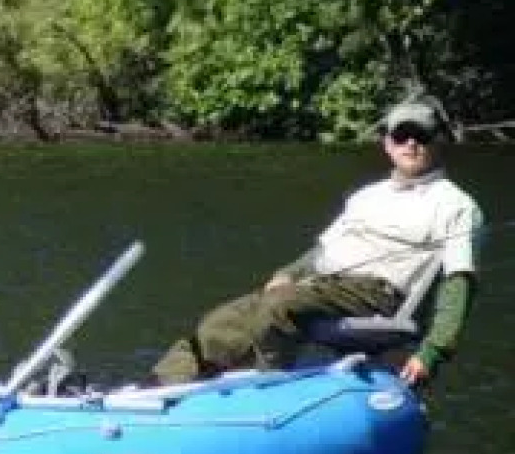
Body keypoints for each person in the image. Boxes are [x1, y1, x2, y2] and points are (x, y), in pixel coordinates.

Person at [150, 94, 483, 388]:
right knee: (223, 320)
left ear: (437, 142)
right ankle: (157, 389)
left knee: (278, 307)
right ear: (387, 144)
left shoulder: (455, 204)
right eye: (401, 135)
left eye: (421, 136)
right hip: (325, 287)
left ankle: (267, 390)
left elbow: (459, 284)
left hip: (377, 295)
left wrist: (432, 352)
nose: (410, 144)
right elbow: (323, 251)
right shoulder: (367, 196)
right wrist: (289, 272)